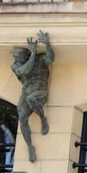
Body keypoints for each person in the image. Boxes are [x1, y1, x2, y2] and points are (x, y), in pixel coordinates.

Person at [11, 30, 55, 162]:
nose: (16, 58)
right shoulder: (16, 66)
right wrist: (34, 53)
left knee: (31, 99)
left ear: (25, 55)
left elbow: (50, 58)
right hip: (26, 92)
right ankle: (30, 147)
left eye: (18, 56)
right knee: (23, 118)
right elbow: (25, 70)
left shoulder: (39, 60)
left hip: (39, 90)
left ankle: (43, 118)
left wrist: (47, 44)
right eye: (14, 56)